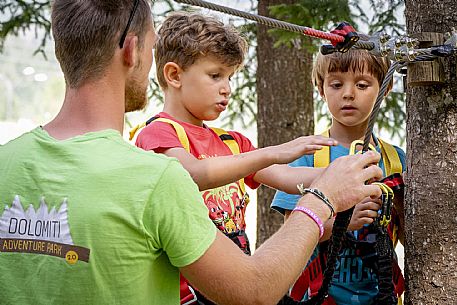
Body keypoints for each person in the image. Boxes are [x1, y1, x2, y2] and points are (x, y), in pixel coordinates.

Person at [0, 1, 384, 304]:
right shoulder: (157, 172)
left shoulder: (5, 164)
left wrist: (340, 175)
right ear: (132, 51)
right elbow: (252, 291)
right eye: (152, 49)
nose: (224, 87)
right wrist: (322, 198)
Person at [131, 12, 338, 303]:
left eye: (229, 77)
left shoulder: (232, 143)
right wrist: (273, 152)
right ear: (174, 75)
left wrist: (339, 174)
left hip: (232, 276)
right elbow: (192, 174)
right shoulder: (158, 134)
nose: (227, 87)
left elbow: (287, 178)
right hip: (186, 292)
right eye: (215, 75)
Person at [271, 49, 406, 305]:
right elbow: (292, 235)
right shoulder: (307, 158)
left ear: (384, 90)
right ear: (321, 90)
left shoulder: (396, 160)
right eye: (336, 84)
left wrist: (399, 200)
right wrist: (346, 222)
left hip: (383, 296)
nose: (348, 93)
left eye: (362, 85)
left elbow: (416, 237)